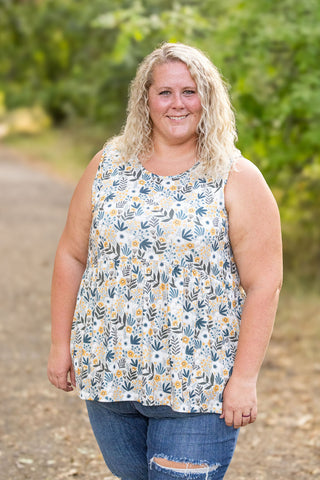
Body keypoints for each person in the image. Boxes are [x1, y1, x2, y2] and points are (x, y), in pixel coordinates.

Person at [48, 42, 282, 479]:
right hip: (110, 376)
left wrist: (245, 379)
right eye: (165, 93)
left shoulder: (236, 176)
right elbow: (72, 254)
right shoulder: (107, 166)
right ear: (145, 100)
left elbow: (265, 283)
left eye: (190, 92)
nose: (178, 104)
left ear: (207, 99)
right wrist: (62, 345)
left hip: (198, 386)